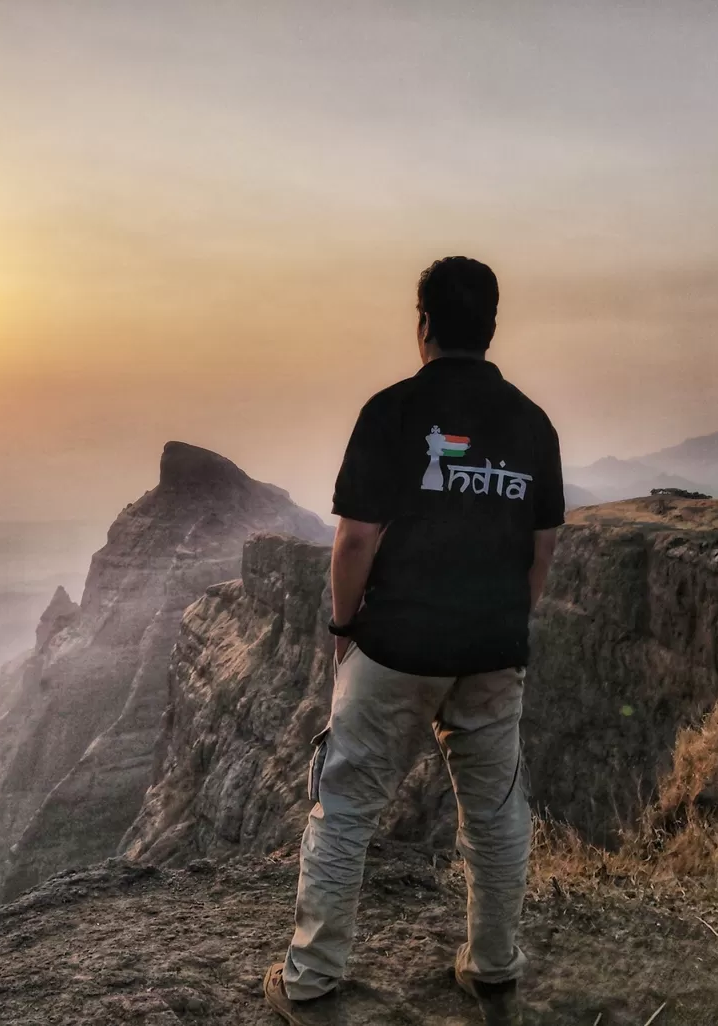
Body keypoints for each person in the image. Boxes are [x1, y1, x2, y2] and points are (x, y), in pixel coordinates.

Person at [263, 256, 564, 1026]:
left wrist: (343, 629)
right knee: (495, 813)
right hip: (493, 650)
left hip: (396, 644)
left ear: (423, 323)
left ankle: (311, 979)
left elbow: (356, 539)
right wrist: (506, 624)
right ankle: (494, 968)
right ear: (492, 327)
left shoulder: (393, 411)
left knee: (345, 805)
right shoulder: (532, 424)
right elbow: (541, 552)